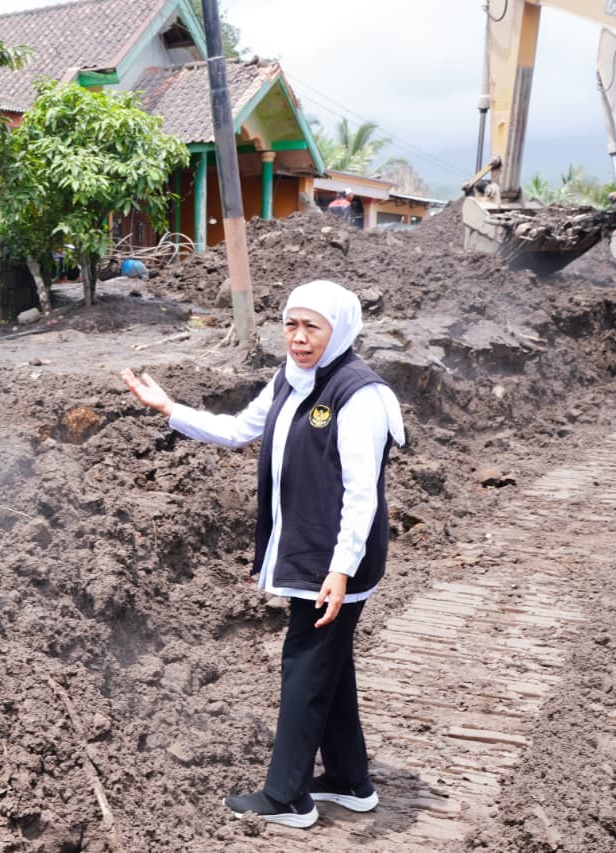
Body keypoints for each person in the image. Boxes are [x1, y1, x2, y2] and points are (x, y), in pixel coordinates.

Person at [120, 279, 405, 830]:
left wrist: (341, 569)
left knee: (306, 665)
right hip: (310, 551)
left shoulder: (359, 395)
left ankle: (287, 797)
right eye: (290, 324)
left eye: (312, 327)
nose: (298, 338)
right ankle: (349, 779)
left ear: (340, 330)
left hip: (333, 560)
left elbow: (361, 493)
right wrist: (168, 408)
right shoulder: (290, 380)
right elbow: (236, 431)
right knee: (328, 663)